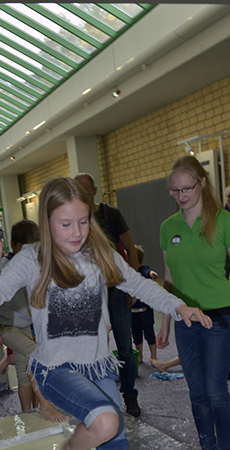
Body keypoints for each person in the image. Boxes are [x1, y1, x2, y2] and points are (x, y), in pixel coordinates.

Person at [0, 176, 212, 450]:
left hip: (99, 367)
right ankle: (71, 449)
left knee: (115, 449)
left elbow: (138, 284)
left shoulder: (99, 254)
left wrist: (179, 307)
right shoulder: (32, 258)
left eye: (83, 221)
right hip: (53, 370)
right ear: (47, 222)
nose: (76, 231)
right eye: (65, 224)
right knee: (104, 420)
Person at [157, 156, 230, 450]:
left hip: (220, 319)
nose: (182, 196)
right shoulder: (168, 227)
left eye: (187, 188)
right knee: (196, 392)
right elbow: (168, 279)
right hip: (185, 319)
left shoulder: (224, 221)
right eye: (175, 191)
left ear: (202, 183)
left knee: (215, 391)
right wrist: (166, 321)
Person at [0, 220, 66, 422]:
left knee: (25, 372)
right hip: (6, 327)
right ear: (14, 246)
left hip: (25, 326)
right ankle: (45, 406)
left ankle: (28, 416)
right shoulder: (1, 266)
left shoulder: (34, 264)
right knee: (35, 354)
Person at [74, 173, 141, 418]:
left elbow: (130, 248)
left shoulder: (110, 214)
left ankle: (130, 395)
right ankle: (99, 398)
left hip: (117, 288)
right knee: (95, 347)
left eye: (84, 189)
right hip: (90, 292)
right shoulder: (73, 219)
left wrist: (132, 285)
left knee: (124, 346)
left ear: (94, 190)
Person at [131, 245, 159, 364]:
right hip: (133, 311)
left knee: (149, 333)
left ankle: (154, 356)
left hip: (145, 310)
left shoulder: (142, 269)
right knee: (136, 334)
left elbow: (147, 271)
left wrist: (151, 273)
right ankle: (139, 355)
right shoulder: (129, 272)